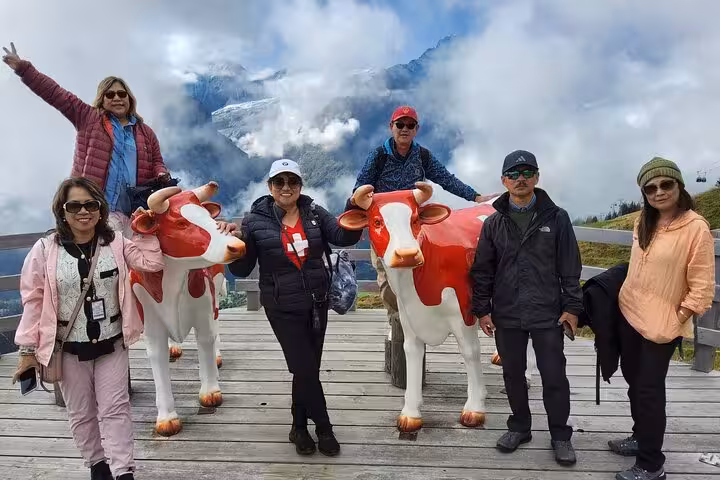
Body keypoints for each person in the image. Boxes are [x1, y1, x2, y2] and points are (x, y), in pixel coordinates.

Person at [11, 177, 164, 480]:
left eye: (90, 204)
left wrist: (146, 228)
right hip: (67, 347)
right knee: (81, 413)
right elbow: (34, 300)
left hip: (112, 343)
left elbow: (152, 263)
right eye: (75, 205)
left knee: (115, 409)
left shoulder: (117, 243)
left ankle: (123, 471)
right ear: (62, 211)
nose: (84, 211)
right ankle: (96, 464)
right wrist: (27, 350)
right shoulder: (45, 250)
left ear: (100, 208)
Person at [220, 159, 362, 457]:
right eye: (279, 182)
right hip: (281, 305)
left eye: (292, 182)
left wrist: (355, 206)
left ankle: (298, 427)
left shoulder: (314, 212)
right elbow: (243, 270)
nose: (286, 187)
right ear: (270, 186)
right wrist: (232, 243)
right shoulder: (255, 221)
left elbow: (342, 236)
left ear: (300, 185)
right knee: (305, 367)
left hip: (317, 302)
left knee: (307, 369)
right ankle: (324, 427)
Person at [347, 105, 497, 367]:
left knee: (423, 276)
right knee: (388, 283)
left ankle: (422, 318)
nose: (405, 129)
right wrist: (358, 219)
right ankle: (398, 320)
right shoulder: (379, 155)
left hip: (414, 228)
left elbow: (444, 178)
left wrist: (475, 197)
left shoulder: (422, 155)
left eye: (410, 125)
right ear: (391, 127)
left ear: (416, 129)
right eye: (400, 124)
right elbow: (360, 188)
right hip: (386, 229)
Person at [470, 150, 582, 466]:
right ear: (504, 180)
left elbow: (570, 266)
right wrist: (482, 309)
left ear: (536, 177)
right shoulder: (493, 222)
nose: (521, 178)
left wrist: (572, 308)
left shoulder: (557, 217)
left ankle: (560, 435)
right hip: (507, 311)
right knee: (512, 374)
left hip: (548, 311)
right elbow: (482, 270)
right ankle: (520, 427)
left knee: (554, 375)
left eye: (527, 172)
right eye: (514, 173)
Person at [611, 158, 715, 480]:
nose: (658, 192)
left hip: (662, 325)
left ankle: (651, 465)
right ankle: (640, 436)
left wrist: (679, 316)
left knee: (649, 391)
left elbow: (702, 285)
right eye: (650, 188)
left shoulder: (696, 228)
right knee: (633, 382)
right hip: (629, 311)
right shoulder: (645, 220)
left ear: (678, 185)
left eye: (665, 184)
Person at [2, 42, 169, 237]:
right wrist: (23, 69)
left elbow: (157, 161)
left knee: (132, 260)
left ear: (129, 99)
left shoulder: (145, 132)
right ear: (102, 99)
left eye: (122, 94)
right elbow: (55, 93)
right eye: (110, 94)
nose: (117, 98)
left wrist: (161, 173)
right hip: (96, 210)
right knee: (103, 260)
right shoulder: (87, 117)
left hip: (134, 212)